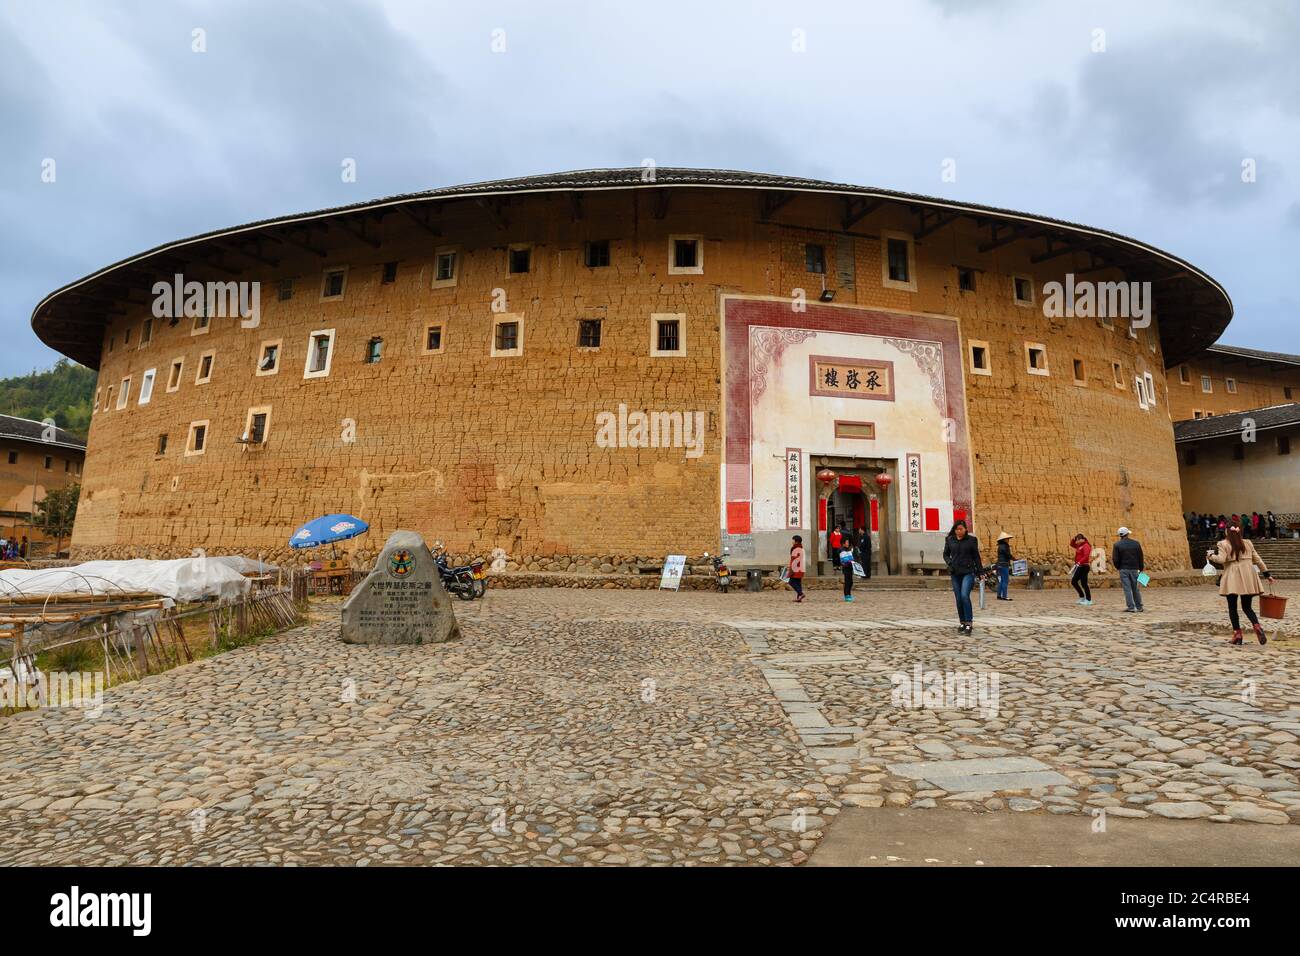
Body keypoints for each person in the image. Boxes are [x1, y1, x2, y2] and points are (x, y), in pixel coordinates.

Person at [1207, 524, 1272, 645]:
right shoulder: (1247, 543)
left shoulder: (1222, 543)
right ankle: (1257, 626)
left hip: (1232, 577)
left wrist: (1211, 556)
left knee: (1232, 607)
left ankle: (1237, 634)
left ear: (1227, 532)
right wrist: (1267, 574)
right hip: (1248, 575)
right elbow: (1257, 559)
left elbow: (1221, 559)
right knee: (1247, 607)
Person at [943, 520, 983, 633]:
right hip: (955, 573)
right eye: (957, 529)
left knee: (964, 595)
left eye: (961, 529)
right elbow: (945, 554)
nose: (959, 531)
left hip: (968, 571)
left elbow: (976, 557)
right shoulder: (950, 540)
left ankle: (969, 622)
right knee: (958, 598)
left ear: (965, 529)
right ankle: (962, 622)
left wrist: (980, 572)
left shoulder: (971, 540)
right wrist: (950, 563)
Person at [1112, 527, 1145, 613]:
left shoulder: (1117, 545)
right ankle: (1139, 607)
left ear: (1120, 535)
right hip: (1135, 569)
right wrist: (1141, 568)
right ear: (1128, 533)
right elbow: (1140, 557)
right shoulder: (1136, 544)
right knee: (1135, 588)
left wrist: (1118, 567)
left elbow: (1115, 559)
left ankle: (1131, 607)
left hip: (1123, 569)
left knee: (1127, 589)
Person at [1069, 533, 1093, 606]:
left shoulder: (1086, 546)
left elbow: (1086, 556)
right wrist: (1073, 538)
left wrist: (1079, 562)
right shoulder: (1079, 545)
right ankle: (1082, 597)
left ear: (1081, 539)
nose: (1076, 542)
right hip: (1079, 566)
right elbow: (1072, 544)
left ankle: (1088, 600)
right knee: (1074, 581)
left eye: (1077, 540)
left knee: (1084, 583)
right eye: (1076, 540)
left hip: (1084, 566)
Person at [994, 531, 1014, 601]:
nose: (1008, 540)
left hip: (999, 564)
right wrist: (1014, 559)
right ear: (1004, 539)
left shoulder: (1000, 546)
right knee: (1005, 580)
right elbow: (1007, 555)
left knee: (1001, 581)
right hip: (1004, 564)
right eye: (1007, 539)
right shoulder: (1005, 546)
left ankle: (999, 595)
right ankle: (1004, 596)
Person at [839, 528, 856, 602]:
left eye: (848, 542)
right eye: (847, 542)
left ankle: (849, 594)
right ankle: (846, 595)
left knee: (850, 582)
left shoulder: (848, 549)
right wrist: (850, 561)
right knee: (847, 582)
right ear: (843, 543)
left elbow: (851, 558)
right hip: (846, 568)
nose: (848, 543)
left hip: (850, 568)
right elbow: (844, 560)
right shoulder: (842, 550)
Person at [788, 535, 805, 603]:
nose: (792, 541)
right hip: (800, 568)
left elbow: (794, 559)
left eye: (793, 540)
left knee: (791, 581)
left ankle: (801, 594)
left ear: (796, 541)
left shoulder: (795, 548)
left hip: (796, 568)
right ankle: (799, 598)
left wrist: (791, 567)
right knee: (798, 583)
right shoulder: (801, 548)